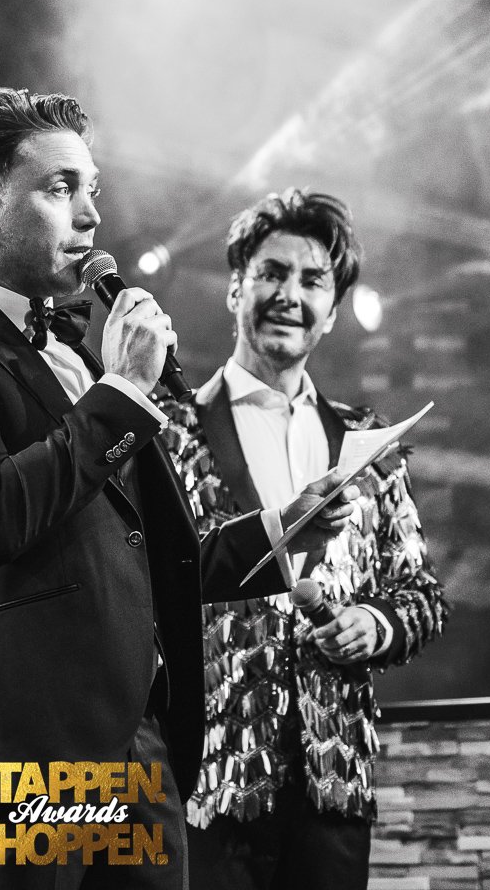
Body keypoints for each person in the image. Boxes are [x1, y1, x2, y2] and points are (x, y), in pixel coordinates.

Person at [0, 89, 357, 890]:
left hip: (138, 763)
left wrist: (277, 530)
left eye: (92, 188)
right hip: (20, 765)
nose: (92, 216)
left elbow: (140, 555)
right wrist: (123, 389)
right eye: (61, 188)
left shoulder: (79, 359)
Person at [160, 188, 448, 890]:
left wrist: (375, 624)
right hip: (204, 785)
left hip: (333, 786)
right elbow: (142, 584)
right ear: (235, 289)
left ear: (333, 311)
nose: (290, 295)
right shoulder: (167, 432)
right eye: (272, 273)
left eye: (312, 280)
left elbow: (422, 594)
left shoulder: (369, 444)